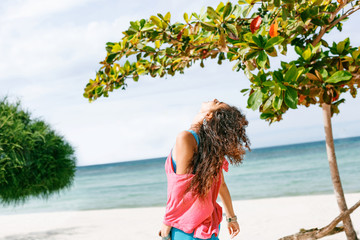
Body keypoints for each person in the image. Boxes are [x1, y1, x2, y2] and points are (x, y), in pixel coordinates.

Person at [159, 99, 250, 240]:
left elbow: (180, 186)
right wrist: (231, 218)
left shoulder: (186, 137)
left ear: (209, 116)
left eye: (218, 103)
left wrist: (167, 221)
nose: (214, 99)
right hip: (208, 224)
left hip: (185, 227)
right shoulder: (212, 148)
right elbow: (222, 185)